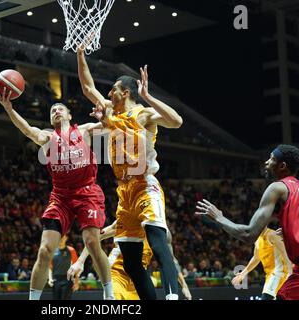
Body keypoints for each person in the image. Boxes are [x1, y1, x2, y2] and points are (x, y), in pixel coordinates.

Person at [77, 44, 183, 300]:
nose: (108, 92)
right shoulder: (110, 113)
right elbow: (88, 88)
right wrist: (80, 53)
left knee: (158, 245)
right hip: (124, 192)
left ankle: (173, 298)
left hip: (145, 185)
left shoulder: (143, 114)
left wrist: (148, 95)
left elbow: (176, 121)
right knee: (131, 263)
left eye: (112, 88)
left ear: (124, 93)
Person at [0, 86, 114, 300]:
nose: (56, 111)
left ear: (69, 115)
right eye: (52, 111)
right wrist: (9, 108)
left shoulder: (84, 130)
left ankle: (109, 295)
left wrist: (105, 116)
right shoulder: (48, 138)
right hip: (60, 197)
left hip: (87, 192)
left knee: (93, 243)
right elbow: (28, 130)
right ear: (51, 121)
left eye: (60, 108)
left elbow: (111, 125)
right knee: (44, 250)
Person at [196, 145, 299, 300]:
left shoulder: (278, 187)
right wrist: (293, 230)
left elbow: (248, 234)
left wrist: (219, 217)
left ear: (282, 166)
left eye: (272, 158)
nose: (266, 162)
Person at [67, 221, 192, 300]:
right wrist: (80, 261)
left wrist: (184, 286)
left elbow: (170, 262)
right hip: (115, 273)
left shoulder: (163, 233)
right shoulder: (128, 219)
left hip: (137, 280)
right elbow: (96, 237)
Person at [231, 227, 292, 300]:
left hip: (280, 274)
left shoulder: (272, 234)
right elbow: (256, 258)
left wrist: (290, 273)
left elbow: (285, 253)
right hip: (270, 275)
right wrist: (243, 273)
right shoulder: (257, 239)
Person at [48, 235, 80, 299]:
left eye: (63, 237)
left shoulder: (71, 250)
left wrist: (77, 281)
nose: (61, 239)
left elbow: (76, 266)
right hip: (56, 279)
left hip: (67, 279)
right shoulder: (52, 251)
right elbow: (50, 267)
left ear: (66, 238)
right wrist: (50, 278)